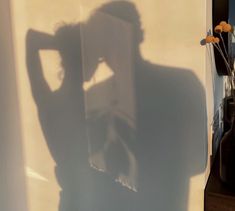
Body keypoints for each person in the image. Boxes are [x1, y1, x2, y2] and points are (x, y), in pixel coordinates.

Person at [26, 1, 206, 210]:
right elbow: (196, 162)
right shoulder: (96, 100)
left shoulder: (62, 102)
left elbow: (32, 40)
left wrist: (68, 43)